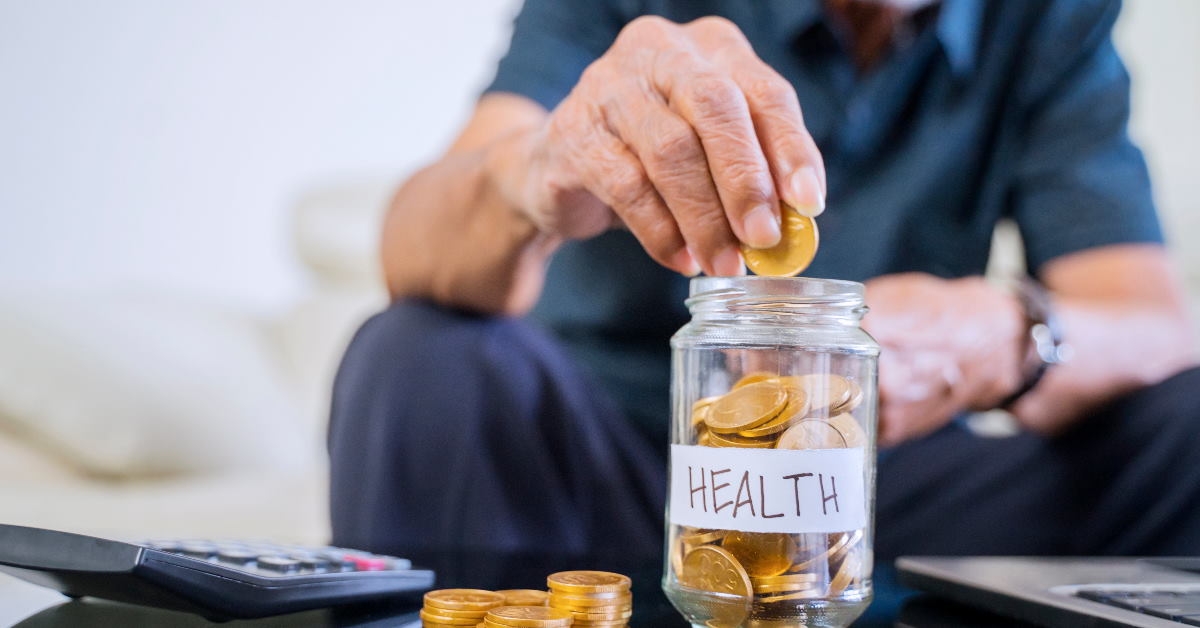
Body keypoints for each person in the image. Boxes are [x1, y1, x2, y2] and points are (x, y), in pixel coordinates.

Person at [328, 0, 1200, 564]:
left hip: (870, 480)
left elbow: (1152, 321)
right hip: (603, 467)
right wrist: (538, 170)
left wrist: (1007, 333)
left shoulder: (1052, 17)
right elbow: (411, 246)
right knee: (416, 352)